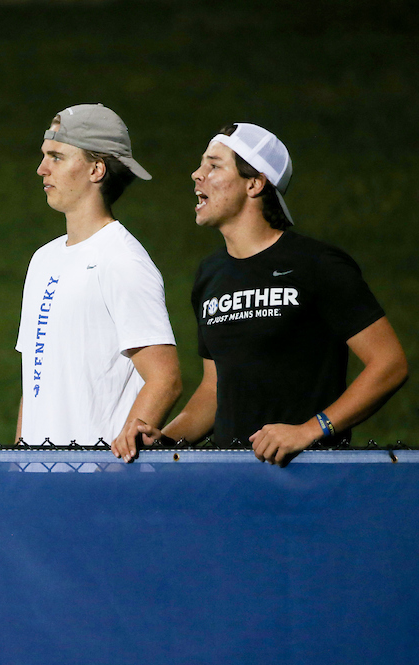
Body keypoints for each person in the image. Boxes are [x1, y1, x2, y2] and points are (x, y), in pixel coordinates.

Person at [138, 122, 407, 465]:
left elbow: (389, 364)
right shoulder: (210, 275)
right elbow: (214, 390)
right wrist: (165, 442)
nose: (196, 174)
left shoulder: (317, 264)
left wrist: (310, 430)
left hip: (307, 478)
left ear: (255, 183)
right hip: (232, 483)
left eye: (214, 165)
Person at [14, 104, 180, 461]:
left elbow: (165, 378)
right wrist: (18, 461)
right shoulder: (43, 259)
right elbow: (34, 379)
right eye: (44, 156)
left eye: (56, 157)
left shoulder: (122, 260)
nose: (41, 169)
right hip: (40, 482)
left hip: (96, 486)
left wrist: (117, 465)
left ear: (96, 169)